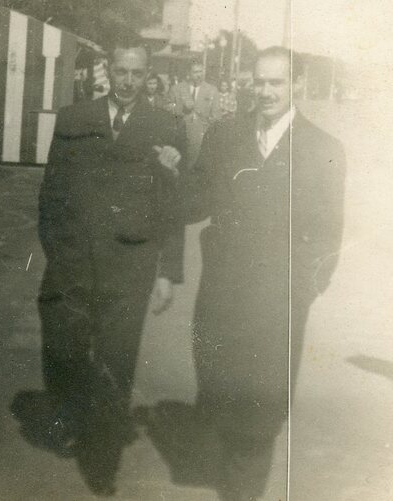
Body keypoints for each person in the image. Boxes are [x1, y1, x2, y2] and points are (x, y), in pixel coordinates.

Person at [184, 46, 346, 500]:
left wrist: (298, 293)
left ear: (297, 84)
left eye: (277, 82)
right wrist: (169, 173)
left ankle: (243, 491)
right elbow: (196, 202)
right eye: (259, 81)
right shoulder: (225, 135)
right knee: (218, 393)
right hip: (221, 298)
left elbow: (328, 237)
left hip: (276, 307)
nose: (266, 91)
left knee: (261, 412)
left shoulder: (323, 149)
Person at [36, 40, 185, 495]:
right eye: (121, 71)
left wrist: (167, 272)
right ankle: (68, 417)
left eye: (137, 73)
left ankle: (103, 458)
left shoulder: (165, 126)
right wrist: (56, 250)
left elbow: (173, 206)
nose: (128, 81)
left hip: (130, 266)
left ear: (148, 75)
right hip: (74, 261)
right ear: (108, 70)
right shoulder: (74, 118)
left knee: (116, 359)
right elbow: (51, 192)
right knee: (64, 346)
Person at [169, 62, 221, 166]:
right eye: (195, 72)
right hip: (180, 134)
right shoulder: (177, 89)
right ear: (189, 73)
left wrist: (205, 126)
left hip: (202, 136)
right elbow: (168, 108)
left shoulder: (212, 90)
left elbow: (217, 115)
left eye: (201, 71)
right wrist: (180, 107)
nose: (199, 75)